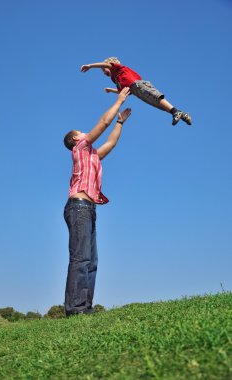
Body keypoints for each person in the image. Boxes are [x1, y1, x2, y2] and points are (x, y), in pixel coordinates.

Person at [63, 87, 131, 316]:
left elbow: (110, 143)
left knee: (91, 261)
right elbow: (102, 123)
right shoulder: (79, 148)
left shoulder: (92, 155)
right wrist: (119, 100)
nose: (85, 134)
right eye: (81, 132)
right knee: (81, 258)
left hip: (89, 209)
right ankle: (75, 308)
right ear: (75, 139)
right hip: (78, 207)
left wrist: (120, 123)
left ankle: (86, 307)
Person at [81, 57, 191, 126]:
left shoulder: (118, 68)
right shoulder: (115, 79)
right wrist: (111, 90)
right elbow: (122, 92)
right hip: (136, 92)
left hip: (138, 84)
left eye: (103, 70)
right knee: (157, 104)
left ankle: (176, 112)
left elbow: (105, 65)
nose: (103, 72)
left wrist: (90, 66)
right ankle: (182, 115)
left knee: (156, 97)